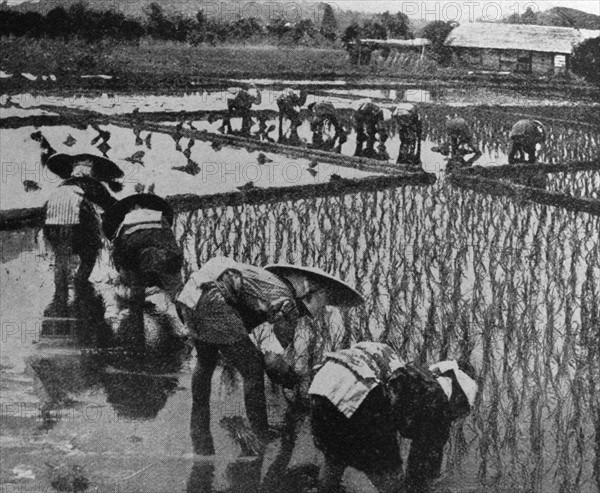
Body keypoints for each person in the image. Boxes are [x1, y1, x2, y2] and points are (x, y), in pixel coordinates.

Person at [176, 257, 364, 455]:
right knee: (252, 370)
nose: (300, 316)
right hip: (214, 301)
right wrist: (290, 378)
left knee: (205, 362)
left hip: (189, 296)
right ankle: (261, 432)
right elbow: (272, 359)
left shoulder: (269, 282)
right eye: (303, 312)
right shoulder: (287, 302)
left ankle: (199, 423)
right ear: (304, 296)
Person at [309, 342, 478, 493]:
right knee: (394, 485)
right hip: (362, 398)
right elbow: (422, 467)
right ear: (458, 398)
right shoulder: (437, 401)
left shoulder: (412, 374)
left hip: (321, 386)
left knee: (335, 456)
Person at [43, 158, 121, 316]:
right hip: (75, 221)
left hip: (51, 222)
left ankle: (61, 294)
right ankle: (81, 282)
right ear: (90, 173)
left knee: (61, 256)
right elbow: (111, 205)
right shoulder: (90, 184)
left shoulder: (63, 185)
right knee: (90, 252)